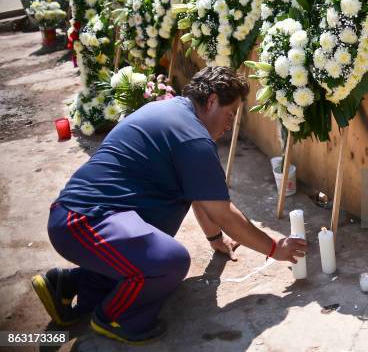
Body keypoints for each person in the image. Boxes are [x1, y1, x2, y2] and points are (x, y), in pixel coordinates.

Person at [32, 66, 307, 345]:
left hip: (85, 218)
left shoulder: (172, 111)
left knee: (141, 262)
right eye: (230, 113)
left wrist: (214, 239)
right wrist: (275, 249)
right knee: (168, 262)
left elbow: (200, 194)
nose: (230, 123)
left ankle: (68, 285)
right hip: (82, 222)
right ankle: (115, 318)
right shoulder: (193, 137)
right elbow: (223, 213)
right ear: (211, 101)